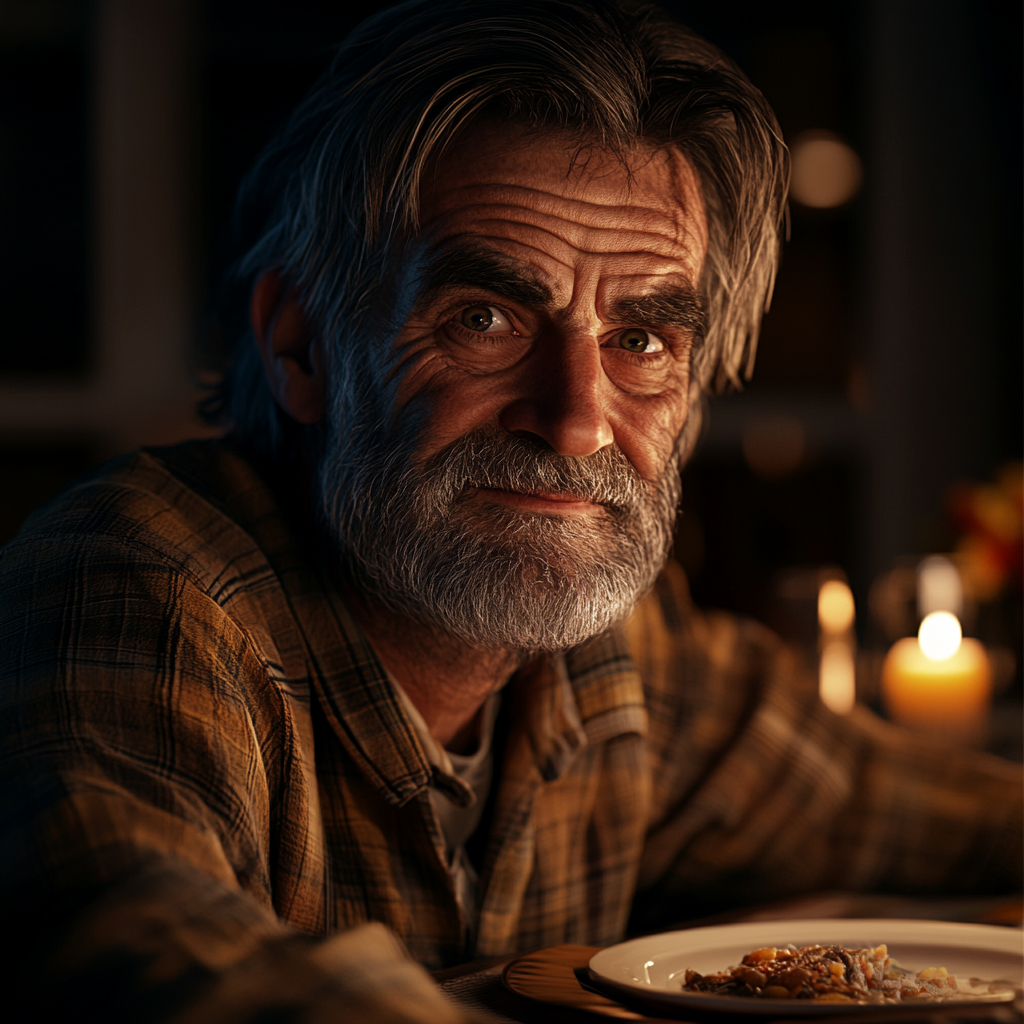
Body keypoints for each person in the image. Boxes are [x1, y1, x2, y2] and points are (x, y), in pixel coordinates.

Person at [1, 2, 1019, 1022]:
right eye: (482, 319)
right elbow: (148, 956)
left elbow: (913, 809)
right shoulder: (134, 586)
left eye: (644, 341)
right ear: (300, 346)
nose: (576, 423)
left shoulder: (616, 651)